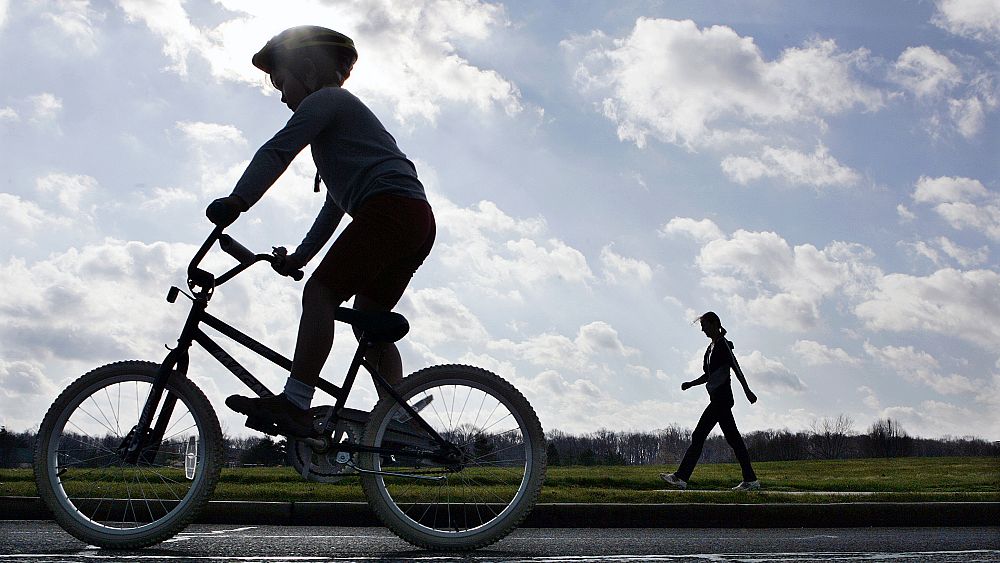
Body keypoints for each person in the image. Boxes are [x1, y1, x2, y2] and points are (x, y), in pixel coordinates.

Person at [206, 26, 435, 438]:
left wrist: (237, 201)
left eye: (281, 82)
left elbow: (277, 151)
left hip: (391, 210)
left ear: (309, 72)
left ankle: (295, 401)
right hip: (413, 218)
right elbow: (334, 208)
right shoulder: (341, 127)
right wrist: (299, 257)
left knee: (320, 294)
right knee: (368, 323)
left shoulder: (327, 100)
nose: (280, 96)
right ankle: (399, 419)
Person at [660, 312, 760, 491]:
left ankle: (681, 477)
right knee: (734, 439)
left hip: (722, 399)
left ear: (715, 324)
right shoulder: (710, 349)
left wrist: (747, 391)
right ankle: (750, 480)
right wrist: (691, 384)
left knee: (698, 435)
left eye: (704, 325)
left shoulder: (723, 345)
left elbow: (736, 368)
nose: (702, 329)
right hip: (717, 398)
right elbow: (708, 375)